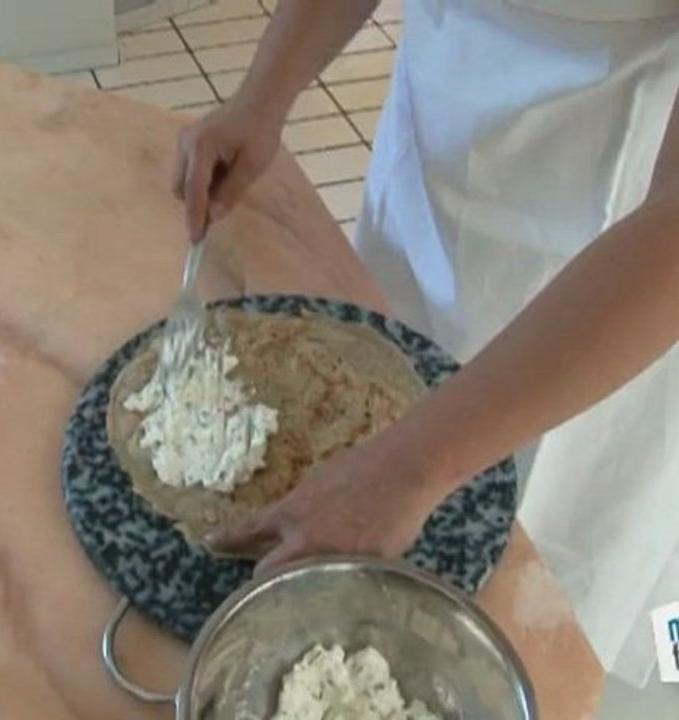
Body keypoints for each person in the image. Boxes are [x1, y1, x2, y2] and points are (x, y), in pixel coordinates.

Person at [173, 0, 679, 691]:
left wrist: (406, 469)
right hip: (434, 163)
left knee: (531, 607)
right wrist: (261, 98)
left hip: (604, 271)